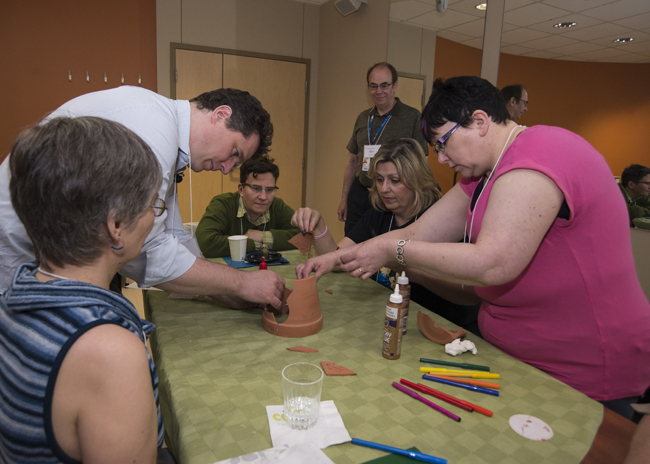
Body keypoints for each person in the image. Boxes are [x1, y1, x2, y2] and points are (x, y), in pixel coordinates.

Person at [298, 76, 650, 420]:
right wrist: (335, 256)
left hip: (581, 366)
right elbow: (419, 231)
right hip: (515, 356)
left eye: (442, 143)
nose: (441, 159)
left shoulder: (541, 152)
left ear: (479, 122)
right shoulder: (483, 174)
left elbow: (493, 263)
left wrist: (395, 254)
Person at [0, 86, 286, 309]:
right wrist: (238, 283)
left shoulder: (167, 136)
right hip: (19, 252)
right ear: (221, 114)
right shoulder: (153, 131)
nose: (226, 169)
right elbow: (150, 251)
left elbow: (174, 234)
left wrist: (225, 290)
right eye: (234, 153)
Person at [0, 117, 165, 462]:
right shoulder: (108, 350)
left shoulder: (16, 294)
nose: (154, 217)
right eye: (152, 205)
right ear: (117, 226)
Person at [293, 138, 481, 334]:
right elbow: (339, 259)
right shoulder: (378, 215)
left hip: (442, 325)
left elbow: (469, 294)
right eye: (380, 179)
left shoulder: (443, 221)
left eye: (395, 180)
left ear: (417, 180)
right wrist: (319, 226)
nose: (384, 189)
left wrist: (409, 268)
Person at [338, 62, 428, 235]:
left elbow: (421, 163)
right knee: (351, 244)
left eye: (384, 86)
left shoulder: (412, 117)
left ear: (395, 86)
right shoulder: (363, 118)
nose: (379, 91)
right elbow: (352, 159)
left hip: (391, 197)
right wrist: (344, 199)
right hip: (361, 193)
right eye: (373, 86)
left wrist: (417, 202)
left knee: (383, 249)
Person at [196, 155, 300, 258]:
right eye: (256, 188)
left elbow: (304, 239)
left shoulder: (278, 207)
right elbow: (205, 243)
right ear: (241, 189)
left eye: (269, 190)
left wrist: (262, 237)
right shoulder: (223, 204)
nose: (263, 197)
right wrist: (255, 244)